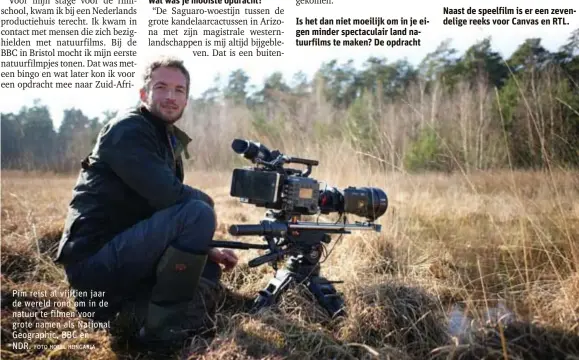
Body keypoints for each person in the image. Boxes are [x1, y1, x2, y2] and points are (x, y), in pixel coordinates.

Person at [54, 55, 238, 349]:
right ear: (144, 94)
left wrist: (206, 247)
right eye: (161, 87)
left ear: (186, 99)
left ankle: (134, 317)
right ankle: (162, 335)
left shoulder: (162, 137)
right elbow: (170, 197)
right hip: (95, 269)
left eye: (179, 90)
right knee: (198, 213)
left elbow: (158, 209)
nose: (170, 96)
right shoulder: (129, 130)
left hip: (123, 255)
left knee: (206, 268)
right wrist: (207, 206)